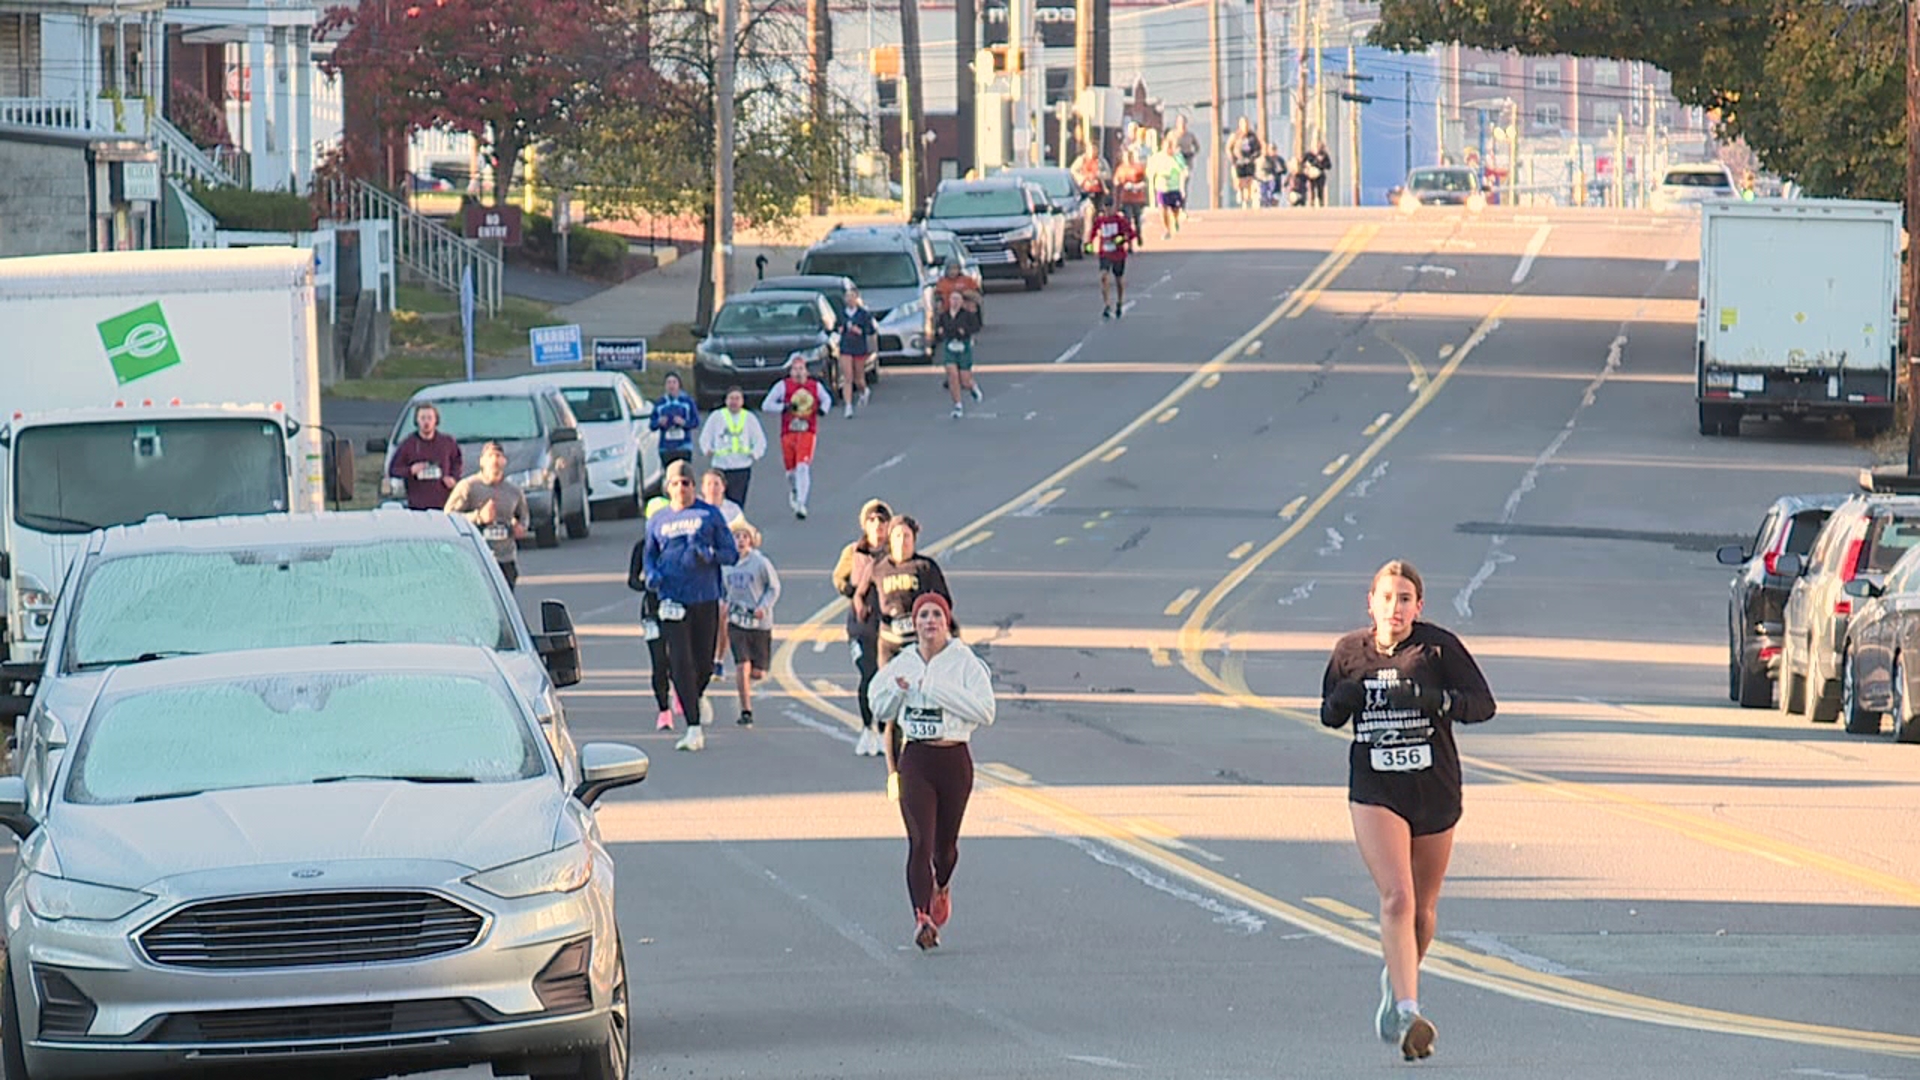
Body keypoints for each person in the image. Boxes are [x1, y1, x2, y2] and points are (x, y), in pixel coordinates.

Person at [1319, 560, 1496, 1063]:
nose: (1394, 608)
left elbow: (1484, 704)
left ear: (1418, 607)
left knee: (1422, 910)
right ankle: (1407, 1012)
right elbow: (1328, 712)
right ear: (1370, 603)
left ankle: (1394, 982)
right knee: (1396, 898)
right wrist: (1343, 701)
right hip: (1377, 790)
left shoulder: (1437, 648)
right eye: (1386, 598)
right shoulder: (1349, 652)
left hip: (1434, 788)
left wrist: (1434, 700)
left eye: (1404, 599)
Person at [871, 591, 996, 951]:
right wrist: (897, 693)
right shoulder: (903, 662)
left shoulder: (965, 662)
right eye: (922, 616)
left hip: (953, 759)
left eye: (935, 616)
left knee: (945, 848)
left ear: (946, 621)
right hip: (916, 760)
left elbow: (985, 712)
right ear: (915, 623)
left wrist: (931, 688)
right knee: (919, 841)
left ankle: (942, 884)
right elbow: (878, 706)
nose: (929, 622)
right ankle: (922, 919)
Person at [634, 459, 739, 752]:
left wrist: (709, 554)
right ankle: (693, 727)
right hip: (671, 599)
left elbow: (731, 553)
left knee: (703, 663)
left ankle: (697, 694)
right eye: (676, 483)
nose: (681, 488)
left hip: (704, 597)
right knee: (679, 662)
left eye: (686, 483)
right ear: (668, 488)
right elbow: (649, 556)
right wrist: (652, 575)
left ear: (694, 487)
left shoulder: (710, 515)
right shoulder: (658, 521)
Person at [833, 499, 893, 756]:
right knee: (867, 674)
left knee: (885, 678)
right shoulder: (854, 552)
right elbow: (839, 578)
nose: (877, 526)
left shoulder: (894, 554)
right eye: (872, 520)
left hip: (888, 627)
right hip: (861, 625)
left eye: (881, 520)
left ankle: (884, 730)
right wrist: (854, 593)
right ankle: (868, 727)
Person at [856, 515, 952, 672]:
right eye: (897, 536)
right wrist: (863, 612)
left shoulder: (925, 567)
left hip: (920, 643)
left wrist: (934, 621)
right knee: (889, 689)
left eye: (907, 536)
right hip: (889, 642)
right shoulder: (878, 567)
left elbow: (945, 601)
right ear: (890, 540)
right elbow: (860, 594)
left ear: (913, 539)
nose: (902, 541)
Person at [443, 441, 529, 590]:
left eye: (498, 456)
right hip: (477, 558)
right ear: (482, 461)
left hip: (505, 558)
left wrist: (520, 527)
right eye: (490, 456)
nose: (494, 461)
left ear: (504, 461)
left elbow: (524, 517)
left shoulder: (513, 491)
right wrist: (479, 517)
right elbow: (449, 517)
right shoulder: (468, 487)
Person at [629, 495, 681, 732]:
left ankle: (681, 692)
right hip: (651, 611)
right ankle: (664, 710)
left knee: (679, 658)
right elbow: (632, 580)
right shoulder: (641, 547)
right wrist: (648, 584)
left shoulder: (679, 544)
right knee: (659, 661)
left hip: (677, 607)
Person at [722, 519, 780, 727]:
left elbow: (774, 588)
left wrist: (763, 607)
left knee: (758, 672)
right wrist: (724, 604)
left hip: (759, 623)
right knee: (742, 665)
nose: (740, 541)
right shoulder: (726, 564)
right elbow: (722, 589)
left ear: (752, 541)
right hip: (737, 621)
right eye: (736, 537)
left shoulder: (760, 563)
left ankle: (750, 679)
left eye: (744, 537)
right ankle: (746, 710)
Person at [760, 354, 832, 520]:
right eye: (795, 369)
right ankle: (794, 490)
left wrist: (823, 410)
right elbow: (766, 405)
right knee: (791, 471)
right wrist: (784, 408)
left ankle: (801, 503)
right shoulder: (783, 386)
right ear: (790, 371)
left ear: (806, 370)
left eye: (801, 369)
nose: (798, 373)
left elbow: (826, 399)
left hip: (808, 431)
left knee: (803, 466)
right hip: (788, 431)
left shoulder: (815, 386)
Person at [700, 468, 746, 679]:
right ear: (702, 488)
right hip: (702, 570)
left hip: (727, 571)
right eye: (709, 484)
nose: (713, 488)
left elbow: (742, 538)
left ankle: (718, 660)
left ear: (724, 487)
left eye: (717, 484)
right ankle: (703, 657)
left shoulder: (733, 511)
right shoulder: (696, 510)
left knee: (723, 615)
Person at [697, 386, 766, 507]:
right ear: (726, 400)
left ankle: (735, 524)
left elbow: (760, 440)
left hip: (741, 466)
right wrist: (707, 449)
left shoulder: (749, 418)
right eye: (731, 398)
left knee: (737, 502)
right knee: (717, 500)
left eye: (737, 398)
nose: (734, 402)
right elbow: (705, 436)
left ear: (742, 401)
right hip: (720, 465)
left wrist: (756, 453)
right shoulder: (716, 416)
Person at [389, 403, 463, 510]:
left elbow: (457, 461)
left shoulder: (447, 442)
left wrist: (454, 478)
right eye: (422, 418)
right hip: (417, 505)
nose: (426, 422)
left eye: (429, 418)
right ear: (417, 421)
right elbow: (393, 469)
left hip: (444, 503)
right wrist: (410, 470)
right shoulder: (408, 444)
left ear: (436, 420)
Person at [933, 289, 983, 419]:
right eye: (952, 299)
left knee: (965, 380)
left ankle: (972, 387)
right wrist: (940, 332)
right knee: (952, 375)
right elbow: (939, 330)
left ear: (962, 302)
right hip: (950, 347)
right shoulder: (944, 316)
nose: (955, 302)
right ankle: (958, 405)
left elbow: (976, 327)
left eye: (957, 300)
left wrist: (964, 332)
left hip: (963, 347)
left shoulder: (967, 315)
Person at [1090, 195, 1139, 321]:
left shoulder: (1120, 220)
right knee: (1104, 276)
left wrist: (1122, 239)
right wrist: (1089, 244)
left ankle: (1119, 301)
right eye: (1105, 207)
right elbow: (1093, 233)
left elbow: (1131, 234)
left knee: (1118, 279)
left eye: (1110, 206)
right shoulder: (1100, 221)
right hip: (1105, 253)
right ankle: (1106, 304)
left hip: (1118, 254)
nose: (1108, 209)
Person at [838, 288, 879, 417]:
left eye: (852, 296)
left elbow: (871, 330)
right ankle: (848, 406)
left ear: (857, 299)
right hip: (845, 347)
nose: (849, 299)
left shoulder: (863, 314)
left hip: (859, 348)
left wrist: (859, 330)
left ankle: (864, 390)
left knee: (858, 379)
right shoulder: (841, 314)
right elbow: (835, 326)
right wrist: (839, 329)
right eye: (847, 296)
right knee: (847, 378)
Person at [651, 372, 700, 469]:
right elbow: (652, 425)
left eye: (674, 382)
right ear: (665, 386)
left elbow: (696, 422)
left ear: (679, 385)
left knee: (684, 474)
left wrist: (684, 422)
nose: (671, 385)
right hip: (665, 447)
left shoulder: (687, 402)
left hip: (684, 446)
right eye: (668, 383)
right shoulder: (660, 403)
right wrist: (659, 422)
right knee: (669, 476)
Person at [1147, 143, 1187, 240]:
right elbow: (1151, 171)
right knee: (1163, 208)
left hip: (1174, 187)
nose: (1169, 149)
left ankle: (1176, 220)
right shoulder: (1157, 157)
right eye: (1167, 147)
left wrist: (1183, 186)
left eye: (1170, 147)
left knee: (1175, 209)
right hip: (1162, 186)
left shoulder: (1177, 157)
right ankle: (1167, 230)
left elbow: (1184, 170)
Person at [1111, 149, 1150, 246]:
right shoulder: (1121, 169)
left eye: (1129, 157)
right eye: (1126, 157)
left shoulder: (1138, 168)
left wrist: (1136, 186)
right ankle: (1129, 243)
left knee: (1137, 219)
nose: (1127, 159)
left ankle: (1138, 234)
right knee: (1127, 220)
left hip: (1137, 198)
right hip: (1125, 198)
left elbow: (1145, 182)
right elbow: (1116, 182)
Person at [1228, 117, 1261, 208]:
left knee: (1249, 181)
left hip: (1249, 161)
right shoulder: (1235, 136)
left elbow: (1258, 148)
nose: (1245, 127)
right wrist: (1233, 158)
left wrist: (1254, 156)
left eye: (1247, 124)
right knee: (1239, 180)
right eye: (1243, 124)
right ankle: (1240, 192)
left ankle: (1246, 200)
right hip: (1238, 162)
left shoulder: (1252, 136)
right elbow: (1228, 148)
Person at [1256, 142, 1287, 209]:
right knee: (1266, 200)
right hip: (1267, 183)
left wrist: (1280, 169)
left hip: (1277, 184)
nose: (1273, 151)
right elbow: (1261, 170)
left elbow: (1284, 171)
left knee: (1275, 201)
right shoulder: (1265, 159)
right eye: (1271, 149)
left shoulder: (1280, 160)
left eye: (1274, 149)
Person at [1305, 140, 1333, 207]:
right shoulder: (1309, 155)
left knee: (1320, 190)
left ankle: (1321, 204)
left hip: (1320, 174)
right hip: (1311, 174)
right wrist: (1307, 167)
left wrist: (1322, 164)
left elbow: (1329, 166)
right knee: (1311, 189)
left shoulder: (1325, 155)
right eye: (1317, 147)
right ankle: (1311, 203)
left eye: (1321, 147)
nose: (1319, 148)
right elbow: (1303, 162)